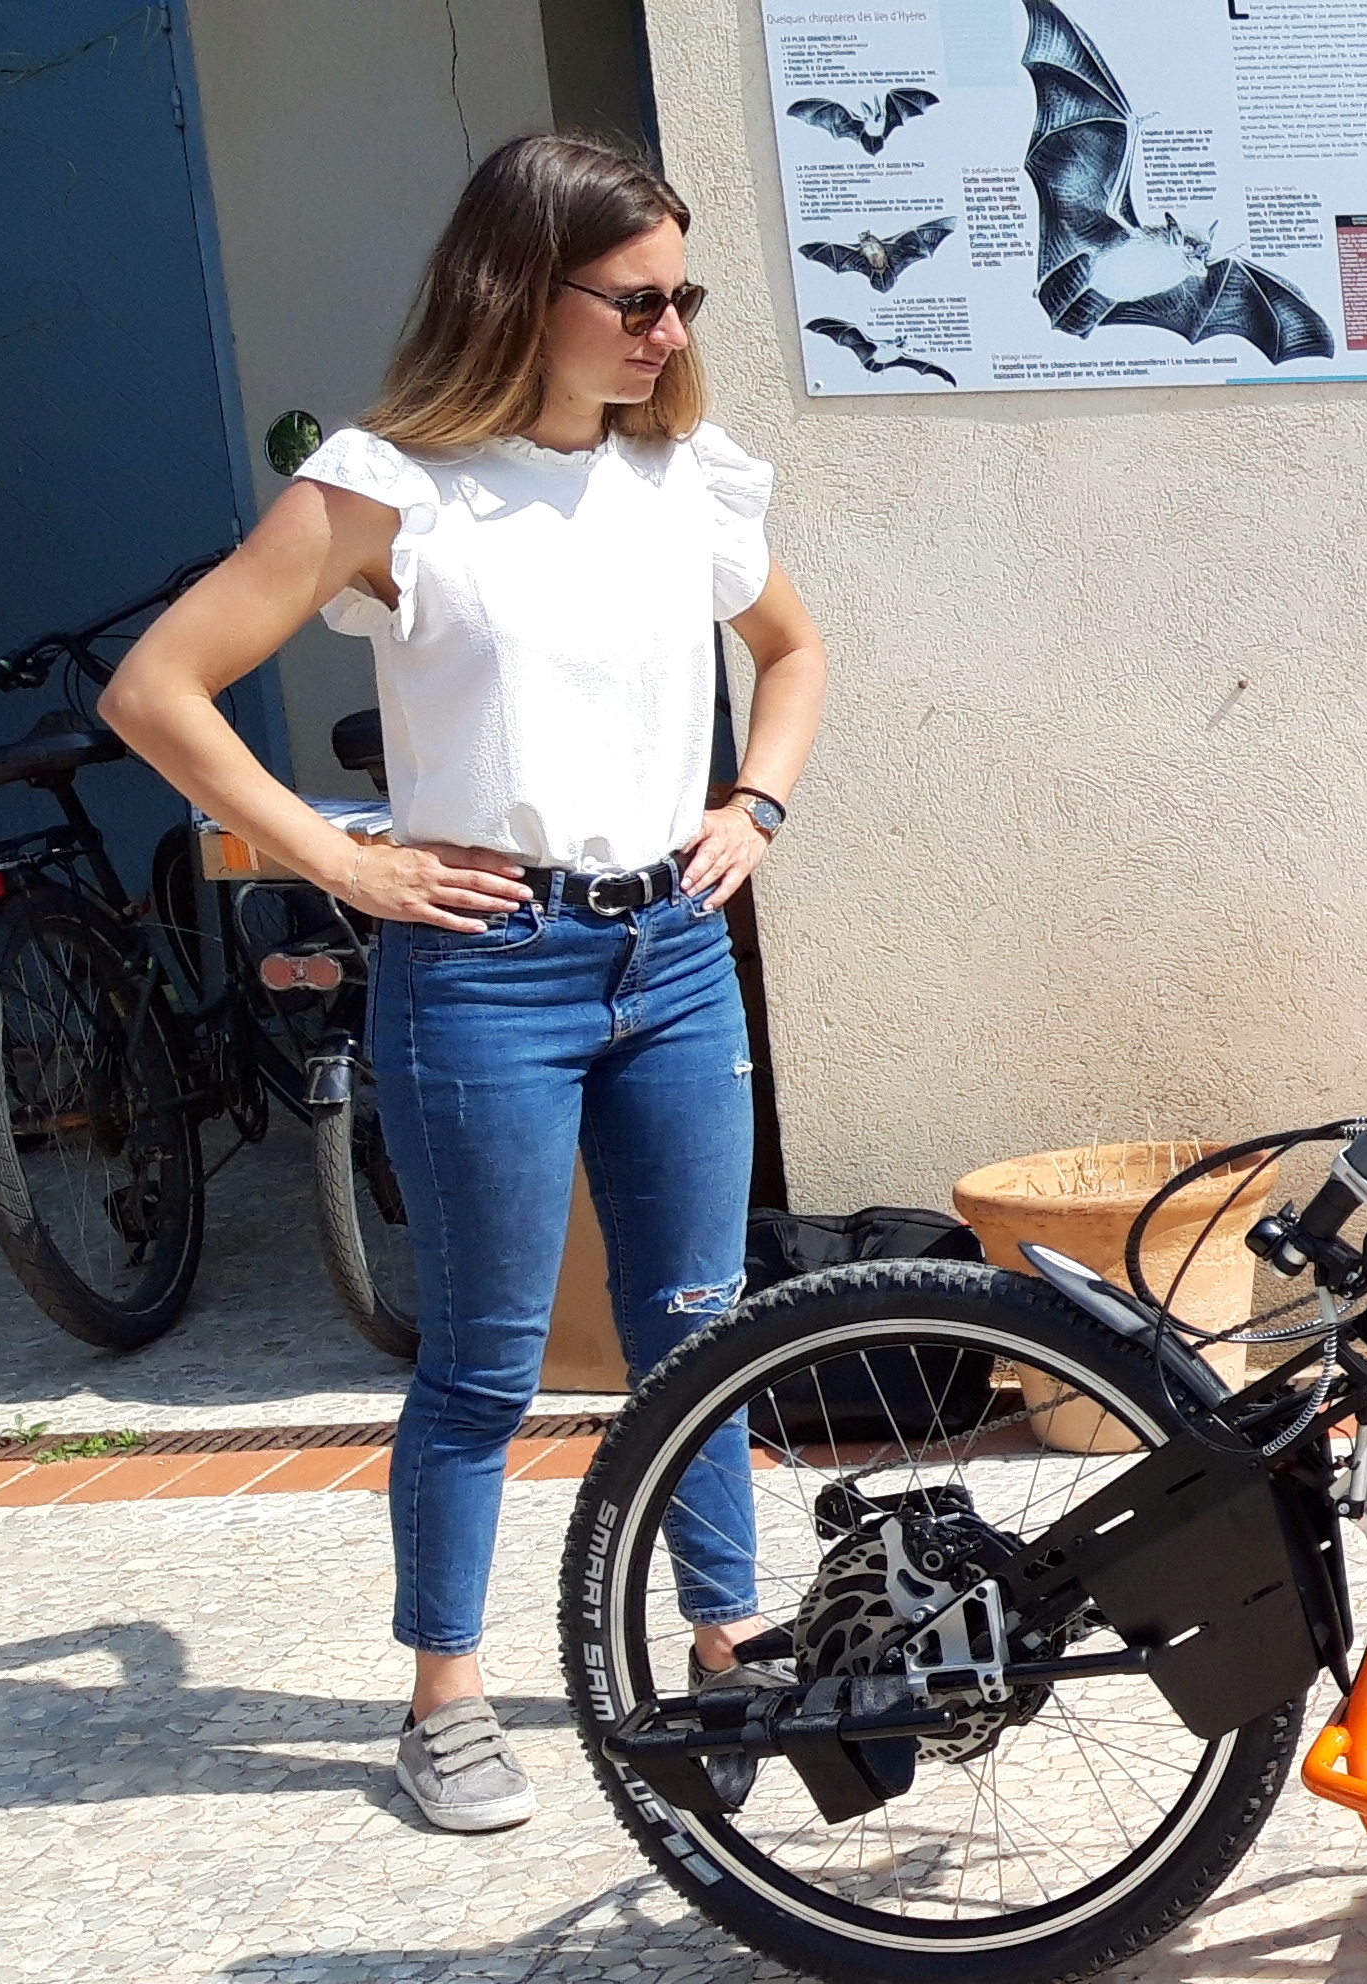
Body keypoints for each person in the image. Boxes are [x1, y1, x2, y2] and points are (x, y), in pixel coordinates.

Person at [104, 134, 825, 1835]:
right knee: (491, 1360)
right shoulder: (394, 485)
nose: (667, 329)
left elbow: (790, 652)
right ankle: (443, 1693)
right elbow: (162, 689)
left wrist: (758, 808)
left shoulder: (685, 476)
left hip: (672, 954)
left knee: (695, 1336)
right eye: (635, 299)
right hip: (484, 975)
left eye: (681, 297)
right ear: (526, 288)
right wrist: (336, 860)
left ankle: (722, 1652)